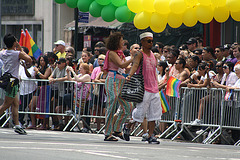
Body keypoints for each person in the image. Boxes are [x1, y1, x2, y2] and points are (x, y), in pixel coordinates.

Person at [127, 32, 162, 144]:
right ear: (142, 42)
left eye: (152, 41)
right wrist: (130, 75)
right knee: (140, 113)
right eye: (148, 41)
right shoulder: (139, 54)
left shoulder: (152, 54)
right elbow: (135, 65)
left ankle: (151, 135)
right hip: (144, 88)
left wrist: (157, 84)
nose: (151, 43)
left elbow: (154, 71)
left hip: (154, 88)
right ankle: (127, 126)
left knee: (154, 114)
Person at [103, 32, 134, 141]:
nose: (123, 42)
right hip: (112, 80)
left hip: (121, 80)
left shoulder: (120, 53)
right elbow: (121, 65)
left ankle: (116, 129)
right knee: (112, 105)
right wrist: (133, 58)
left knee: (128, 106)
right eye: (121, 40)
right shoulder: (111, 53)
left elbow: (126, 67)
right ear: (116, 42)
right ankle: (108, 133)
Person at [0, 33, 32, 134]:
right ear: (14, 42)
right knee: (6, 104)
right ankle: (17, 124)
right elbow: (29, 59)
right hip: (12, 81)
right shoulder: (17, 53)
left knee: (15, 103)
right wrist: (20, 48)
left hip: (6, 79)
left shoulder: (3, 53)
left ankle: (17, 124)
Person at [27, 55, 52, 129]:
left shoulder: (48, 68)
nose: (42, 62)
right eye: (41, 60)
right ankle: (33, 123)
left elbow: (44, 77)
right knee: (31, 105)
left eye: (43, 60)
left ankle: (44, 124)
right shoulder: (38, 68)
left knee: (44, 106)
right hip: (38, 88)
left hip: (45, 87)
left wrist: (37, 72)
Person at [48, 58, 68, 130]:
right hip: (60, 92)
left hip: (67, 91)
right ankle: (61, 123)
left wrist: (56, 79)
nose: (58, 65)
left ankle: (67, 124)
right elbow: (51, 76)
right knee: (58, 108)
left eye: (59, 63)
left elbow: (66, 78)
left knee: (67, 109)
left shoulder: (67, 68)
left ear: (64, 63)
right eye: (57, 63)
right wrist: (50, 78)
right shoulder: (56, 68)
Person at [18, 55, 37, 127]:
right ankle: (20, 121)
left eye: (28, 61)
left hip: (31, 90)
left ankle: (30, 121)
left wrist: (25, 67)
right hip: (23, 91)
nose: (27, 63)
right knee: (22, 107)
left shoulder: (33, 69)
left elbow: (29, 75)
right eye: (26, 61)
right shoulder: (21, 68)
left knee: (30, 107)